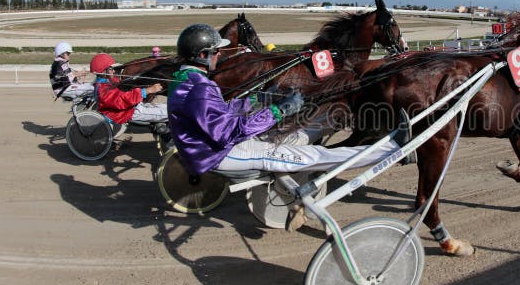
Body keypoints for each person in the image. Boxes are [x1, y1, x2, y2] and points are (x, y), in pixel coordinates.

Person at [167, 24, 414, 178]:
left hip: (213, 150)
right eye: (216, 51)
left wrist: (257, 99)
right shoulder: (199, 88)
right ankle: (390, 150)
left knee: (296, 137)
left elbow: (219, 113)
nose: (219, 54)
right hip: (222, 155)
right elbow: (228, 132)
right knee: (313, 156)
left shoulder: (184, 81)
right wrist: (277, 111)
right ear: (202, 55)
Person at [90, 53, 168, 126]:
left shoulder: (105, 82)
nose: (113, 71)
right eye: (110, 69)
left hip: (130, 107)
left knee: (167, 107)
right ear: (103, 71)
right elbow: (122, 99)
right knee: (170, 113)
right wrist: (148, 90)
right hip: (124, 113)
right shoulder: (103, 88)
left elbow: (118, 85)